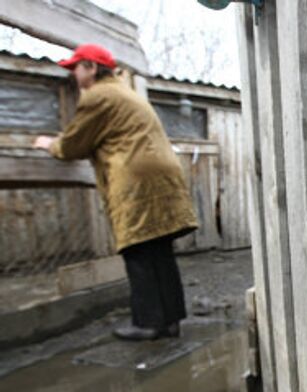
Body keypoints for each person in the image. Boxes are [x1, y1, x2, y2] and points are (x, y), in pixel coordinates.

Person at [34, 44, 199, 341]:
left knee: (136, 248)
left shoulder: (98, 96)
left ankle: (148, 323)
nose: (73, 75)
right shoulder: (125, 92)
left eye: (76, 68)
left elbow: (75, 144)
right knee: (159, 249)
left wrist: (50, 144)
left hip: (135, 178)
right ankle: (170, 321)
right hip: (161, 174)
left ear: (92, 68)